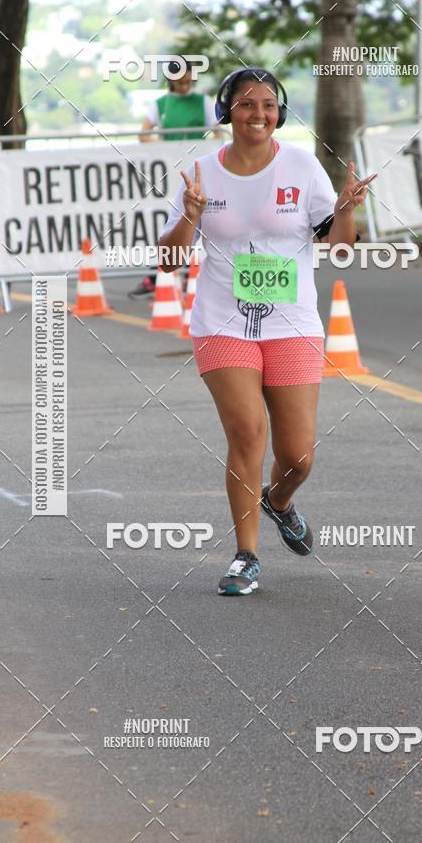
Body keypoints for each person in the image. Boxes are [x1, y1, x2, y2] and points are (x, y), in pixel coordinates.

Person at [158, 67, 375, 596]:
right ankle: (245, 556)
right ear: (225, 111)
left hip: (292, 323)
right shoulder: (201, 173)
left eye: (270, 105)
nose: (259, 113)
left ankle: (277, 501)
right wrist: (189, 216)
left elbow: (339, 249)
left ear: (280, 113)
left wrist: (345, 211)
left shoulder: (303, 167)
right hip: (222, 323)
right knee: (248, 434)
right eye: (247, 104)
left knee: (298, 456)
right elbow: (167, 260)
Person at [129, 59, 218, 297]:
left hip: (196, 173)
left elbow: (218, 132)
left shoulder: (203, 102)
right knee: (168, 224)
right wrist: (170, 146)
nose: (186, 85)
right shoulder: (161, 104)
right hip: (170, 173)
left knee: (196, 222)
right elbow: (144, 134)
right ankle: (156, 274)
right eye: (181, 81)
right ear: (171, 81)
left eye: (189, 80)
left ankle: (192, 273)